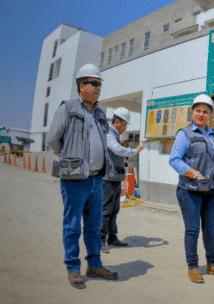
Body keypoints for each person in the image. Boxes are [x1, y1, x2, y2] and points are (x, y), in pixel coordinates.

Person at [46, 64, 118, 289]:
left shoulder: (100, 114)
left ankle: (94, 265)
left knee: (94, 227)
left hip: (97, 179)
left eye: (99, 84)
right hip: (75, 181)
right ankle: (73, 268)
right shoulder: (67, 109)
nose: (97, 88)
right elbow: (52, 140)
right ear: (81, 86)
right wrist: (69, 158)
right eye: (93, 84)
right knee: (73, 226)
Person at [169, 94, 214, 283]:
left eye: (205, 111)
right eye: (198, 110)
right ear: (192, 112)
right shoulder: (185, 134)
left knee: (210, 230)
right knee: (193, 229)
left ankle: (213, 264)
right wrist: (193, 172)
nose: (201, 114)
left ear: (210, 115)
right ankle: (193, 267)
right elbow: (174, 159)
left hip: (212, 190)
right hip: (190, 190)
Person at [101, 107, 143, 252]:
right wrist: (134, 151)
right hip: (108, 179)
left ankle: (112, 238)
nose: (125, 128)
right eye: (124, 125)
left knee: (114, 210)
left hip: (115, 178)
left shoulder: (115, 136)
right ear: (117, 122)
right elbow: (117, 150)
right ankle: (100, 240)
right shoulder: (109, 134)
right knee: (105, 210)